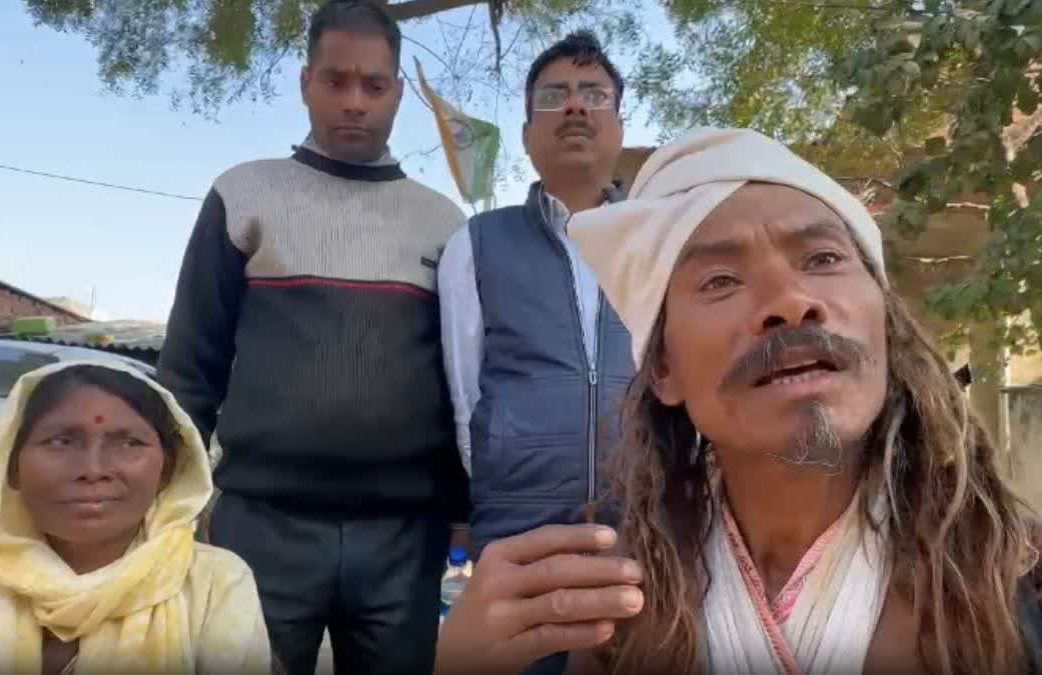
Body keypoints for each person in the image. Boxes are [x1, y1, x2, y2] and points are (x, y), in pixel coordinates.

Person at [433, 127, 1042, 674]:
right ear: (663, 368)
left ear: (886, 320)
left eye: (824, 258)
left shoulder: (1011, 573)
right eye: (720, 280)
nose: (791, 299)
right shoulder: (622, 605)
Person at [156, 1, 469, 673]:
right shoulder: (243, 196)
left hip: (403, 537)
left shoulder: (444, 223)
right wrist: (169, 501)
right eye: (336, 80)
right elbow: (190, 367)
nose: (354, 101)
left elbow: (463, 383)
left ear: (399, 94)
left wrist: (465, 507)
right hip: (257, 526)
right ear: (305, 83)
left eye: (374, 84)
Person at [0, 361, 272, 674]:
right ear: (10, 466)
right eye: (62, 440)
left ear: (167, 469)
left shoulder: (215, 582)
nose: (93, 468)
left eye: (128, 443)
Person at [437, 29, 632, 675]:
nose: (575, 106)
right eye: (554, 95)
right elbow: (467, 396)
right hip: (520, 530)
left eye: (592, 93)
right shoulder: (478, 242)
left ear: (618, 124)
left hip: (652, 524)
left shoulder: (664, 237)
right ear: (525, 135)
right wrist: (517, 473)